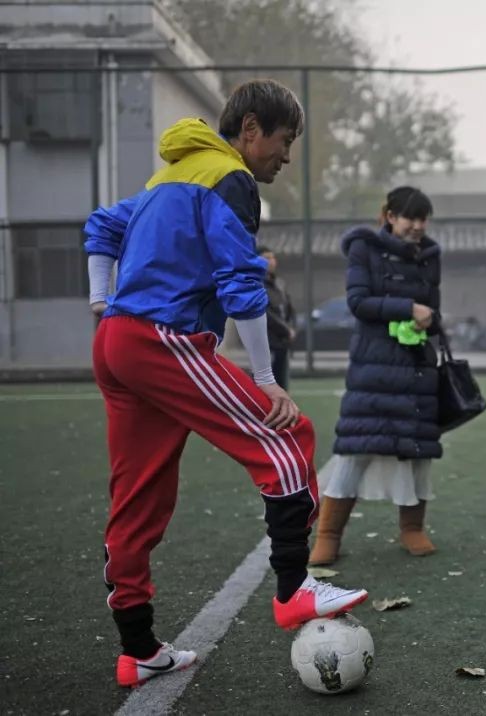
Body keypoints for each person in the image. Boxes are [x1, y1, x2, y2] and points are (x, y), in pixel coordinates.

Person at [83, 80, 367, 688]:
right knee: (289, 439)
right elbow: (241, 283)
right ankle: (294, 590)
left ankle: (138, 651)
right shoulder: (229, 177)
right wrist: (266, 380)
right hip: (164, 339)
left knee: (139, 501)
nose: (285, 157)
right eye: (285, 142)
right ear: (251, 130)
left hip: (118, 343)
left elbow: (101, 227)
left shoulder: (169, 179)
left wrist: (101, 301)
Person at [309, 186, 442, 564]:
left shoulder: (430, 256)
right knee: (356, 448)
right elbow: (358, 302)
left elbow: (435, 311)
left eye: (422, 218)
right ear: (389, 215)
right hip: (374, 365)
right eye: (409, 217)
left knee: (416, 452)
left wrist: (429, 319)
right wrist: (408, 308)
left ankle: (412, 529)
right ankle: (328, 534)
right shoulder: (363, 248)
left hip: (417, 367)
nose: (417, 225)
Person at [256, 245, 296, 389]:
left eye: (272, 257)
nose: (271, 261)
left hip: (282, 342)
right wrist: (285, 330)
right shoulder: (256, 284)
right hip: (267, 342)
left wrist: (291, 328)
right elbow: (265, 313)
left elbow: (289, 309)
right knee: (269, 383)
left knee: (283, 382)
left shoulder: (279, 283)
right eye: (266, 258)